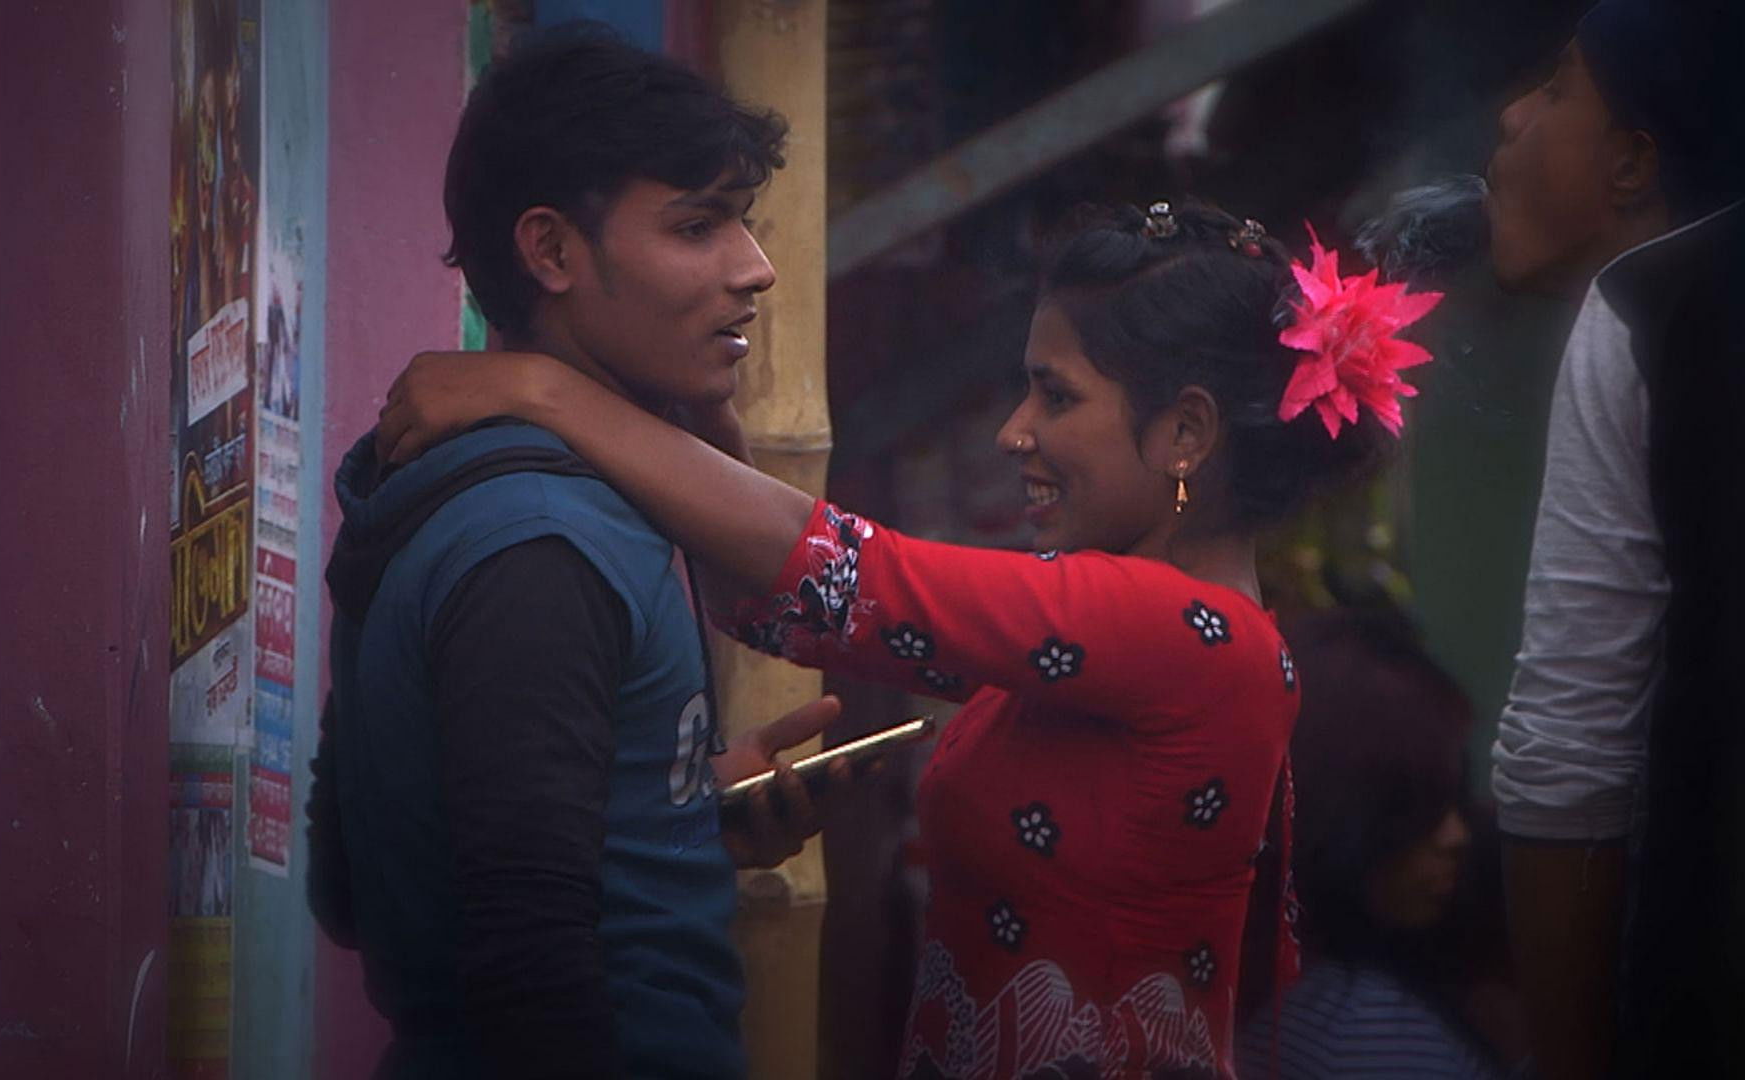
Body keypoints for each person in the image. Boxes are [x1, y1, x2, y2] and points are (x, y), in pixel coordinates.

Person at [376, 200, 1445, 1078]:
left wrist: (543, 391)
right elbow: (788, 603)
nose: (1014, 432)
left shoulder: (1184, 632)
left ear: (1186, 433)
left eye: (1055, 395)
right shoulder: (1128, 639)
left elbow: (856, 585)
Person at [304, 24, 844, 1078]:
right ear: (551, 251)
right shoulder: (544, 542)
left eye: (744, 221)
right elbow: (530, 969)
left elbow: (349, 889)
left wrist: (670, 824)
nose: (756, 268)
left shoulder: (476, 498)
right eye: (699, 226)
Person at [1482, 1, 1744, 1074]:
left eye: (1556, 88)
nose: (1512, 117)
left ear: (1634, 162)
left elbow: (1569, 749)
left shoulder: (1654, 305)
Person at [1235, 610, 1509, 1079]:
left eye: (1453, 797)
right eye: (1413, 807)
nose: (1455, 836)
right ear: (1331, 810)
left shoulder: (1267, 994)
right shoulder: (1359, 1037)